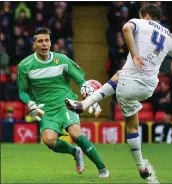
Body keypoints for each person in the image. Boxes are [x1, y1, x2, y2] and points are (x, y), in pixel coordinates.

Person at [65, 4, 172, 182]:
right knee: (120, 79)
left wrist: (134, 54)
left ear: (147, 16)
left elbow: (126, 28)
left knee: (131, 124)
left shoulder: (140, 23)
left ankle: (84, 105)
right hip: (149, 87)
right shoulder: (170, 36)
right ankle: (141, 167)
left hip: (129, 86)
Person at [17, 28, 109, 178]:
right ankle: (75, 152)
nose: (44, 44)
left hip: (66, 103)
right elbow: (22, 91)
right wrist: (30, 104)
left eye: (47, 40)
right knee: (49, 140)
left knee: (75, 132)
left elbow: (81, 81)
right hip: (45, 109)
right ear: (34, 44)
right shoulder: (25, 66)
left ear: (50, 42)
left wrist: (92, 98)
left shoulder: (62, 60)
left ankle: (102, 169)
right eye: (40, 41)